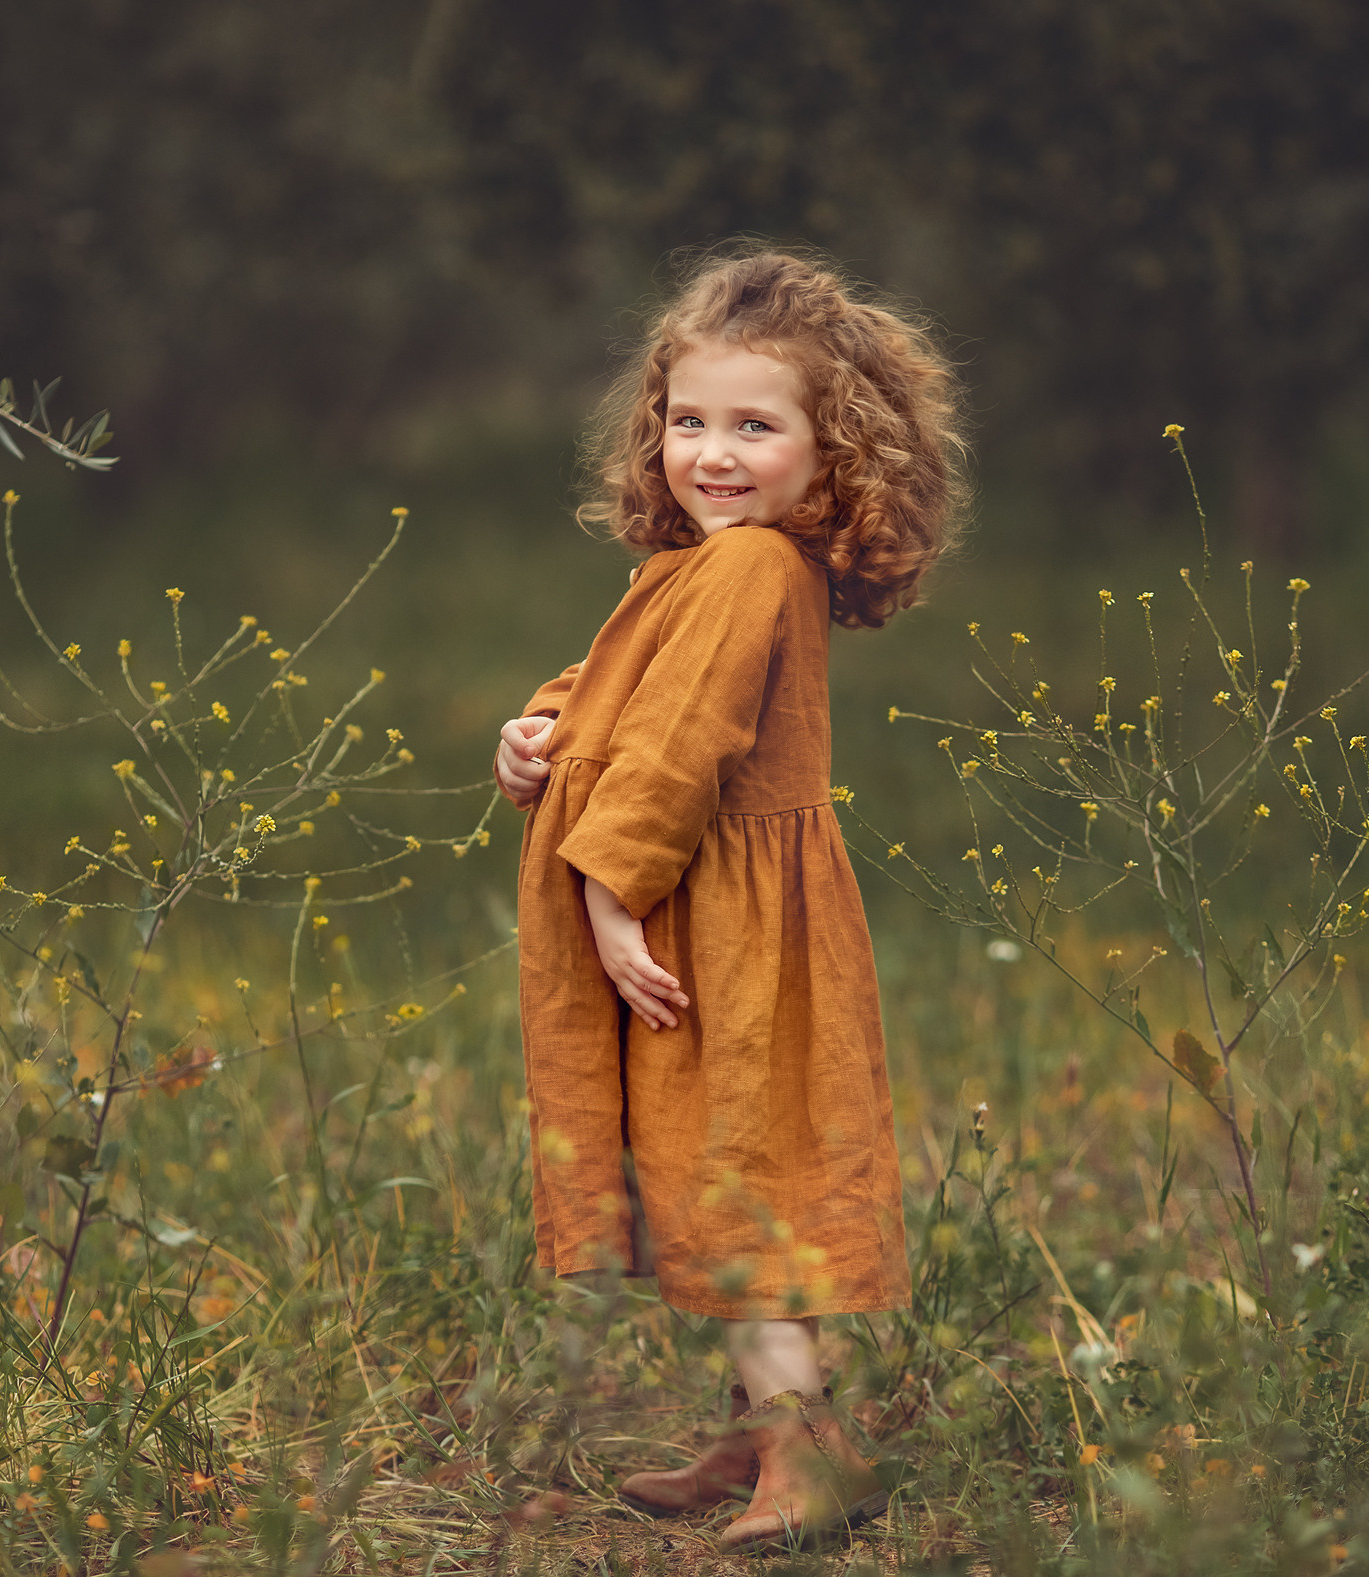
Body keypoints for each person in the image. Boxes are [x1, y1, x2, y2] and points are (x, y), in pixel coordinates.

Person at [492, 247, 966, 1551]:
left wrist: (609, 894)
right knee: (715, 1177)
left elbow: (679, 744)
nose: (712, 451)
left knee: (750, 1185)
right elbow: (613, 691)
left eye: (754, 425)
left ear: (833, 451)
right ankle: (772, 1433)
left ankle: (809, 1452)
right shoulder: (695, 565)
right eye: (688, 421)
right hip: (699, 908)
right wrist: (532, 733)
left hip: (724, 929)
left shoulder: (756, 567)